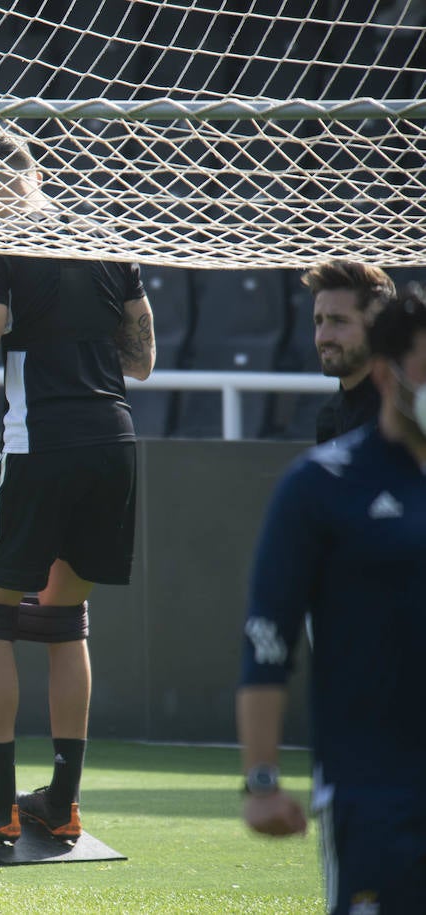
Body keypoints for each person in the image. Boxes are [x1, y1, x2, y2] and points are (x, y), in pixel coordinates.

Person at [0, 133, 155, 844]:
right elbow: (143, 359)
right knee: (66, 621)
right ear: (37, 174)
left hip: (40, 444)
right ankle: (62, 801)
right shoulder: (105, 238)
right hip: (115, 443)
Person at [236, 293, 426, 915]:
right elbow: (268, 639)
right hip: (375, 796)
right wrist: (262, 780)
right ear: (387, 374)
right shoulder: (321, 485)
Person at [300, 259, 395, 443]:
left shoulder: (401, 418)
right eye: (319, 322)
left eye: (339, 321)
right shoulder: (329, 417)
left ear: (377, 327)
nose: (323, 337)